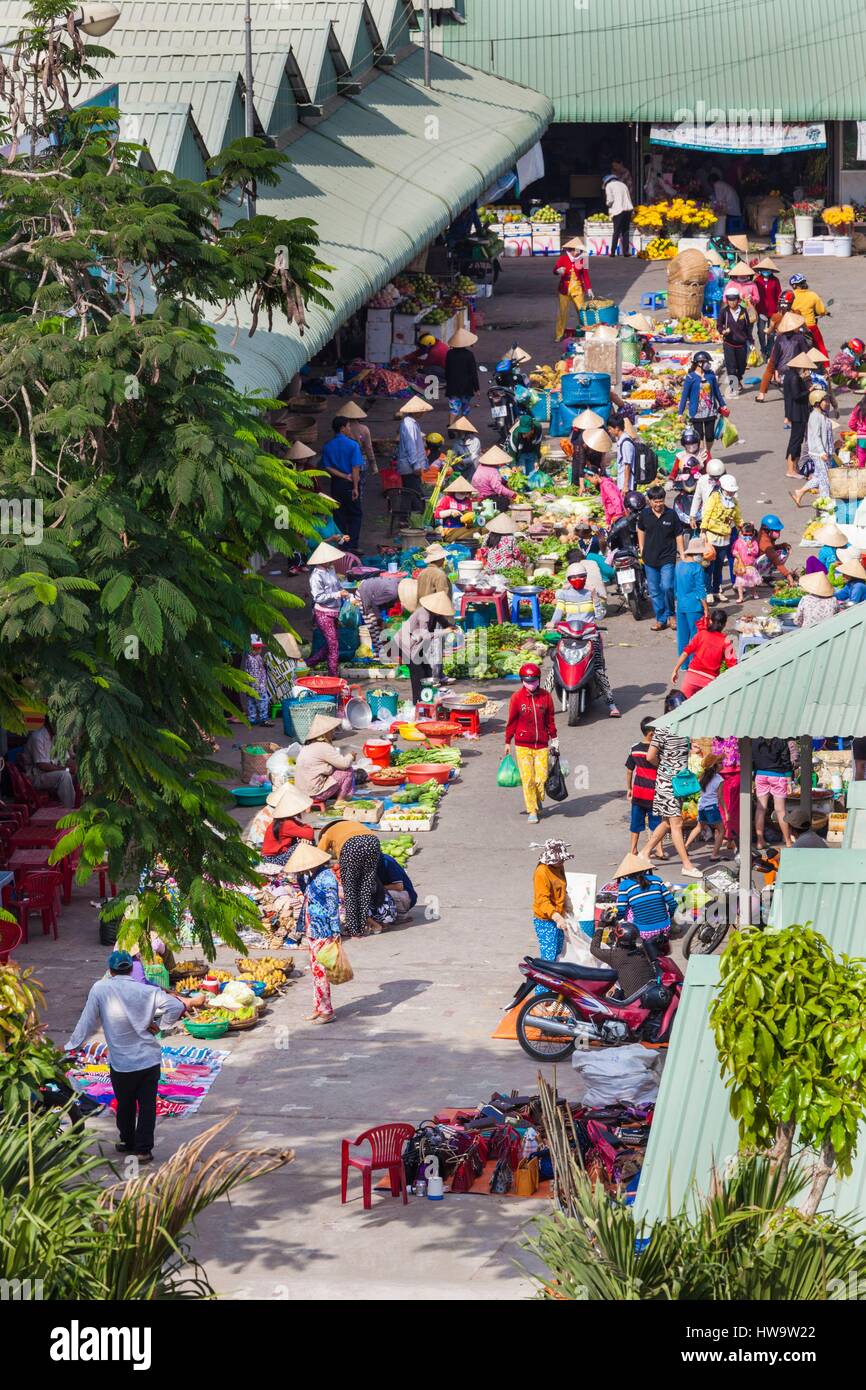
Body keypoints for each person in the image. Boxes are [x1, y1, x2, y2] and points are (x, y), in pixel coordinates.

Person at [65, 950, 186, 1161]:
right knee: (147, 1105)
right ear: (131, 969)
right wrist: (159, 1026)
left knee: (125, 1103)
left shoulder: (100, 988)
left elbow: (86, 1022)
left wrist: (71, 1046)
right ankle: (143, 1149)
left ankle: (128, 1140)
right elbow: (176, 1005)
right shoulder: (147, 990)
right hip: (148, 1059)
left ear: (110, 970)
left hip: (122, 1062)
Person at [643, 690, 702, 877]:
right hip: (671, 783)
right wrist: (667, 767)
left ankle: (644, 853)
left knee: (669, 823)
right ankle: (686, 864)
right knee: (676, 824)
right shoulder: (674, 727)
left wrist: (666, 765)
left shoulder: (672, 727)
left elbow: (654, 756)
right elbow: (650, 756)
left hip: (673, 782)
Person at [286, 843, 340, 1024]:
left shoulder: (327, 877)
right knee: (316, 972)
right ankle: (318, 1006)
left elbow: (333, 907)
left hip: (324, 930)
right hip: (312, 929)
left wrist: (335, 931)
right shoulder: (313, 876)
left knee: (321, 972)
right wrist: (300, 877)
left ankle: (327, 1011)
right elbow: (307, 893)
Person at [505, 662, 558, 824]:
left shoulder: (546, 697)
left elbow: (550, 720)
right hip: (522, 745)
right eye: (527, 681)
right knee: (527, 779)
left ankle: (537, 797)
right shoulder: (516, 698)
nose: (531, 684)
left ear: (539, 680)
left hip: (542, 744)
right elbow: (512, 721)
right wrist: (507, 741)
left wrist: (554, 739)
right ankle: (532, 810)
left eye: (534, 681)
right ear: (522, 681)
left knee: (541, 778)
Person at [318, 818, 382, 938]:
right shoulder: (354, 824)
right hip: (373, 842)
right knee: (365, 887)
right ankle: (361, 927)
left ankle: (354, 930)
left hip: (351, 846)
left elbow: (318, 855)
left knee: (350, 889)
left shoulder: (328, 833)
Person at [389, 590, 455, 705]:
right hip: (404, 645)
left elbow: (444, 623)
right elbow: (426, 636)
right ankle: (418, 704)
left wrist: (453, 627)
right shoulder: (424, 614)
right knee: (418, 673)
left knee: (428, 671)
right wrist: (444, 631)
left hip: (415, 646)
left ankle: (427, 699)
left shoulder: (435, 614)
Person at [636, 484, 686, 631]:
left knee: (667, 586)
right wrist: (642, 548)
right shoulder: (644, 515)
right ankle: (661, 618)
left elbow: (678, 534)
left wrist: (682, 553)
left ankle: (672, 614)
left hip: (667, 557)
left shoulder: (671, 515)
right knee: (654, 590)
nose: (658, 504)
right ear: (649, 501)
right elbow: (640, 529)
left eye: (661, 501)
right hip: (649, 558)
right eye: (655, 501)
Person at [530, 838, 573, 989]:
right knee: (548, 960)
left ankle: (552, 991)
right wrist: (556, 916)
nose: (562, 863)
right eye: (559, 860)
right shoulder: (542, 873)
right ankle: (542, 995)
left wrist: (566, 903)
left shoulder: (559, 867)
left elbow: (562, 888)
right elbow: (543, 900)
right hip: (546, 920)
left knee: (557, 956)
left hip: (558, 917)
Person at [671, 607, 737, 698]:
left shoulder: (701, 634)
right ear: (724, 624)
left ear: (710, 621)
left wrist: (675, 670)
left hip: (691, 678)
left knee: (683, 706)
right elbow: (732, 665)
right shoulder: (726, 642)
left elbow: (686, 652)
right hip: (709, 682)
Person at [321, 417, 364, 552]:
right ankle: (351, 545)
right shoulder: (353, 445)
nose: (350, 429)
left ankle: (341, 544)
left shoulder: (328, 446)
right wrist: (356, 487)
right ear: (342, 428)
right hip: (350, 483)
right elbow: (355, 468)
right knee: (355, 514)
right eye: (348, 426)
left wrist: (342, 475)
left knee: (339, 514)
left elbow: (327, 467)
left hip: (336, 484)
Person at [307, 541, 349, 678]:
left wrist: (345, 593)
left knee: (333, 641)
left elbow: (337, 585)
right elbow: (318, 597)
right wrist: (337, 594)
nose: (332, 561)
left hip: (334, 611)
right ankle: (333, 676)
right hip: (323, 613)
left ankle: (311, 662)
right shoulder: (316, 576)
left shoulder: (331, 569)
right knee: (334, 645)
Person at [613, 852, 678, 940]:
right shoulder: (656, 879)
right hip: (665, 928)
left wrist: (616, 920)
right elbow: (672, 903)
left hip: (643, 932)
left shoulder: (624, 885)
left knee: (626, 906)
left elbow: (621, 909)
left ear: (625, 874)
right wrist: (669, 916)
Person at [293, 713, 355, 803]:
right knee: (348, 770)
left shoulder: (307, 747)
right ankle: (340, 801)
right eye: (331, 731)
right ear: (325, 734)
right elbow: (344, 764)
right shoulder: (324, 747)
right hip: (315, 794)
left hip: (301, 793)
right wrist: (351, 756)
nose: (333, 733)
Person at [790, 389, 837, 506]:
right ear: (816, 402)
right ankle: (825, 503)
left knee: (818, 476)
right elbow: (816, 436)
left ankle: (799, 492)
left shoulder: (822, 415)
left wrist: (833, 446)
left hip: (825, 451)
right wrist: (822, 452)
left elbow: (826, 435)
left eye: (827, 401)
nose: (827, 403)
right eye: (825, 401)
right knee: (825, 479)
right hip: (819, 453)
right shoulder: (815, 416)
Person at [590, 918, 657, 999]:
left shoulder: (615, 955)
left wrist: (600, 927)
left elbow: (594, 949)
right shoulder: (642, 951)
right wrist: (615, 924)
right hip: (652, 994)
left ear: (618, 939)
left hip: (633, 1002)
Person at [701, 474, 741, 601]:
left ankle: (716, 590)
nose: (731, 493)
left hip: (725, 538)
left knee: (718, 567)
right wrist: (703, 530)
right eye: (730, 491)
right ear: (723, 488)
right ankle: (707, 592)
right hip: (711, 536)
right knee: (708, 566)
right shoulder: (714, 498)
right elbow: (707, 514)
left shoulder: (734, 502)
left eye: (733, 491)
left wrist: (743, 527)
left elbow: (738, 517)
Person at [625, 716, 662, 854]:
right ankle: (659, 850)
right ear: (651, 734)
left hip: (639, 792)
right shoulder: (657, 750)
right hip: (654, 792)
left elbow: (629, 771)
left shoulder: (634, 749)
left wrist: (629, 788)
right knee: (656, 824)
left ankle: (633, 850)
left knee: (636, 823)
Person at [755, 308, 808, 402]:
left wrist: (775, 369)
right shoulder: (800, 338)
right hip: (795, 366)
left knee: (769, 368)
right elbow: (806, 354)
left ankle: (761, 395)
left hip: (781, 366)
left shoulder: (779, 336)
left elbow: (775, 356)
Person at [678, 351, 726, 450]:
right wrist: (680, 413)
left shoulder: (711, 375)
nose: (708, 364)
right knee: (699, 436)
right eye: (706, 362)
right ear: (699, 363)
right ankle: (703, 456)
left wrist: (723, 404)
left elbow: (717, 391)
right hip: (696, 413)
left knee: (710, 436)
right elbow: (684, 396)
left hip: (710, 411)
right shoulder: (690, 377)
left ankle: (708, 452)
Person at [753, 737, 795, 850]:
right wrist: (789, 782)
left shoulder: (756, 741)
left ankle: (760, 841)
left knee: (760, 809)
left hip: (760, 775)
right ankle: (788, 841)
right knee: (780, 810)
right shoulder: (781, 741)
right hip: (778, 776)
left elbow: (752, 759)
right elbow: (786, 761)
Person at [23, 717, 76, 806]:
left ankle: (83, 808)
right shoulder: (37, 737)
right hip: (36, 776)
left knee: (81, 774)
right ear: (50, 722)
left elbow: (66, 759)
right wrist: (67, 769)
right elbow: (42, 765)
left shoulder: (58, 737)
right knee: (65, 775)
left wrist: (76, 765)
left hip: (51, 774)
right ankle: (69, 811)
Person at [260, 783, 315, 865]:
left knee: (304, 840)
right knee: (304, 844)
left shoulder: (283, 820)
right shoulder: (287, 824)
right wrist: (305, 829)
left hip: (273, 856)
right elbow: (310, 833)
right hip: (272, 860)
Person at [395, 395, 432, 509]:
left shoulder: (411, 423)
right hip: (410, 466)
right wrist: (416, 465)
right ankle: (415, 517)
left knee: (408, 493)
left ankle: (404, 518)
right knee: (415, 494)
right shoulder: (409, 424)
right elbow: (411, 446)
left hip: (409, 465)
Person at [685, 755, 725, 858]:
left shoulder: (702, 776)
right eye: (720, 763)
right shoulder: (719, 779)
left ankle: (685, 847)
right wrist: (726, 811)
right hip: (712, 807)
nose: (722, 765)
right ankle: (714, 855)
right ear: (715, 766)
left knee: (699, 827)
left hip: (701, 807)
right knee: (721, 830)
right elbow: (720, 797)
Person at [675, 536, 709, 652]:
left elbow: (675, 587)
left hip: (681, 606)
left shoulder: (679, 566)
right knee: (696, 637)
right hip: (694, 607)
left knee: (682, 637)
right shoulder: (697, 568)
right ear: (696, 553)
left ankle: (684, 665)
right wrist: (706, 608)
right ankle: (694, 665)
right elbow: (700, 590)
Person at [717, 286, 753, 397]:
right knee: (731, 367)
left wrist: (751, 341)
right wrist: (722, 331)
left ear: (738, 300)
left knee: (741, 366)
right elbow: (719, 325)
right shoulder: (724, 312)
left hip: (742, 344)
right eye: (730, 299)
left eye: (734, 299)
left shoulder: (743, 311)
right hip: (729, 344)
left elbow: (748, 328)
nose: (732, 302)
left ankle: (738, 379)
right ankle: (733, 386)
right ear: (727, 300)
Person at [553, 236, 590, 341]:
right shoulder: (562, 259)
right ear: (571, 250)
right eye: (577, 250)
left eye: (580, 250)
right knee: (562, 312)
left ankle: (586, 332)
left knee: (582, 312)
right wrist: (558, 271)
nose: (578, 253)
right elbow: (554, 270)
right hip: (564, 289)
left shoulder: (583, 259)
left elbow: (585, 275)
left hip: (578, 289)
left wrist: (589, 288)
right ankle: (559, 334)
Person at [357, 571, 403, 656]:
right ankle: (378, 656)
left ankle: (381, 654)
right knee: (374, 627)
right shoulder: (393, 593)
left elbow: (384, 602)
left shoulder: (399, 585)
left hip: (374, 595)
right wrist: (379, 619)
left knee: (379, 628)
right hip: (365, 594)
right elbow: (375, 603)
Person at [444, 327, 480, 422]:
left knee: (454, 408)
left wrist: (448, 382)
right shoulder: (469, 355)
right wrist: (476, 388)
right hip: (466, 386)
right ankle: (464, 428)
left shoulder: (449, 354)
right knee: (465, 408)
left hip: (453, 386)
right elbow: (473, 373)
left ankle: (450, 426)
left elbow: (447, 370)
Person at [789, 273, 829, 357]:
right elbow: (821, 310)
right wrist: (824, 313)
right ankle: (826, 366)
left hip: (795, 326)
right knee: (820, 345)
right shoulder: (813, 295)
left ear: (794, 286)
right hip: (810, 326)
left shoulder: (791, 295)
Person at [712, 735, 740, 849]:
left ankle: (722, 835)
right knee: (734, 807)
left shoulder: (716, 736)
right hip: (735, 771)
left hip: (721, 771)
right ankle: (730, 836)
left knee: (723, 805)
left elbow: (714, 754)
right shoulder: (735, 734)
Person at [752, 258, 782, 358]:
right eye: (764, 269)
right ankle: (763, 349)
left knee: (771, 331)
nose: (766, 271)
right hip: (761, 310)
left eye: (768, 269)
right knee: (761, 331)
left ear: (771, 271)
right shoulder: (757, 281)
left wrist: (780, 308)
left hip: (773, 311)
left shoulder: (775, 280)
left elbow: (779, 294)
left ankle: (769, 349)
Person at [337, 400, 377, 475]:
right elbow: (368, 448)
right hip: (361, 460)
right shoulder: (364, 429)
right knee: (360, 484)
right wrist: (373, 465)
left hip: (345, 461)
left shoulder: (341, 429)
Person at [240, 633, 271, 725]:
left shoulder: (253, 657)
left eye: (259, 648)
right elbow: (254, 674)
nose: (258, 650)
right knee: (263, 702)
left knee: (251, 703)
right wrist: (257, 686)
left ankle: (252, 718)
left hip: (251, 686)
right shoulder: (252, 659)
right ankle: (263, 719)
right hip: (258, 686)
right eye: (255, 648)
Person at [376, 851, 417, 917]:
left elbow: (399, 887)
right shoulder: (370, 863)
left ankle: (402, 916)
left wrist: (379, 887)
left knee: (383, 893)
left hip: (406, 896)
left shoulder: (387, 862)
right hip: (394, 893)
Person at [689, 457, 725, 530]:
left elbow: (734, 500)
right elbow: (697, 498)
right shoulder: (702, 480)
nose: (716, 479)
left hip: (724, 519)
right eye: (714, 477)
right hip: (707, 519)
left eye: (718, 477)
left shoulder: (727, 480)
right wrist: (692, 516)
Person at [603, 171, 634, 257]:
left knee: (616, 231)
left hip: (618, 210)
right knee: (625, 231)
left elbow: (610, 200)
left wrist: (608, 205)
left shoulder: (609, 186)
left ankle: (612, 252)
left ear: (607, 182)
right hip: (628, 209)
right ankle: (626, 252)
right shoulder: (623, 184)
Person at [731, 521, 760, 603]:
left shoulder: (754, 542)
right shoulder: (738, 542)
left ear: (753, 534)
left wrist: (751, 548)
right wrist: (735, 554)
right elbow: (733, 549)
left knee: (752, 580)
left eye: (750, 535)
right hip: (741, 565)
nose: (748, 537)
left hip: (750, 565)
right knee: (740, 581)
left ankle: (754, 593)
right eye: (745, 535)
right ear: (741, 533)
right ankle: (741, 597)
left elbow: (756, 552)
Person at [607, 412, 636, 493]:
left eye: (610, 429)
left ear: (617, 428)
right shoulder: (621, 440)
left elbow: (627, 465)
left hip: (627, 485)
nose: (609, 431)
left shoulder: (626, 443)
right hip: (622, 482)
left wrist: (625, 485)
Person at [847, 393, 866, 470]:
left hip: (862, 439)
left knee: (861, 463)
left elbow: (851, 424)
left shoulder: (859, 407)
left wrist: (860, 430)